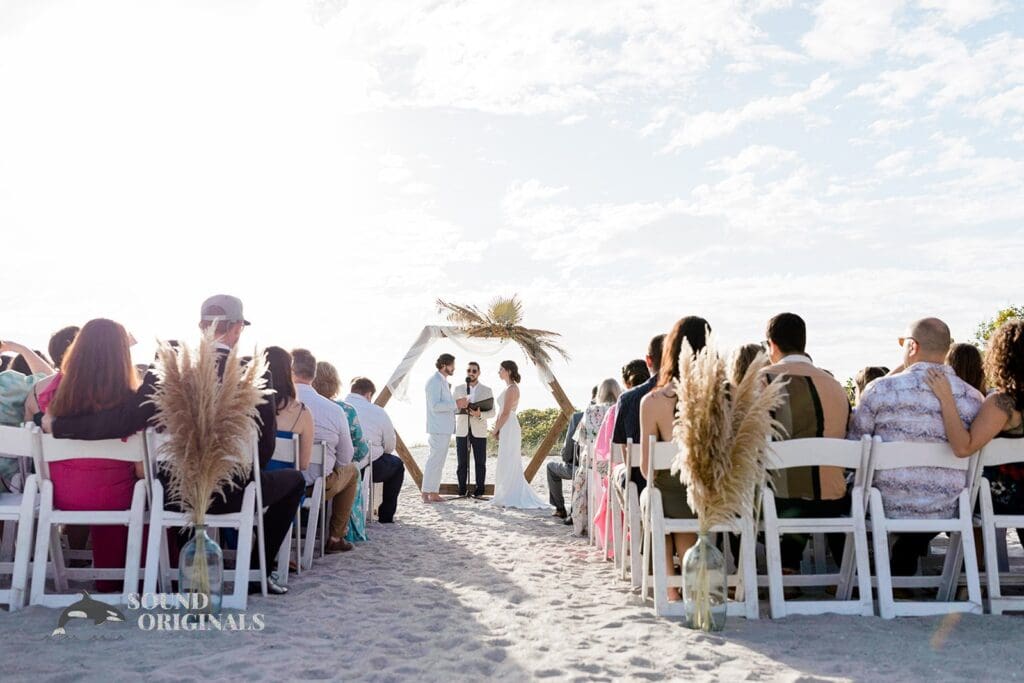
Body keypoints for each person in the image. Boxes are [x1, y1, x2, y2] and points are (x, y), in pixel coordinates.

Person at [44, 295, 304, 594]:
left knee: (171, 474)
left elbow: (122, 422)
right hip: (231, 496)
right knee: (294, 481)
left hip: (172, 496)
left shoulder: (165, 368)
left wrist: (59, 425)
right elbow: (263, 450)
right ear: (236, 329)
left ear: (200, 326)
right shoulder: (254, 375)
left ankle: (186, 570)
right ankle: (259, 571)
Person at [848, 317, 983, 576]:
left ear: (912, 346)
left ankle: (862, 576)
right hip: (949, 507)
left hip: (885, 505)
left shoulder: (880, 390)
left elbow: (857, 449)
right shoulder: (972, 397)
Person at [39, 319, 144, 591]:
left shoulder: (54, 396)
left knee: (106, 485)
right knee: (143, 490)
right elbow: (141, 470)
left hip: (62, 496)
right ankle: (119, 578)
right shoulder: (129, 403)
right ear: (123, 357)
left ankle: (109, 577)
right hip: (115, 500)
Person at [762, 313, 852, 573]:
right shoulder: (835, 386)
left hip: (780, 501)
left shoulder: (763, 381)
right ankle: (793, 564)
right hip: (833, 499)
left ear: (772, 345)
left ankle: (776, 568)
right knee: (809, 490)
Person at [926, 320, 1024, 545]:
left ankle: (972, 568)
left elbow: (963, 447)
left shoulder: (1003, 403)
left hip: (1004, 499)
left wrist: (947, 399)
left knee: (960, 494)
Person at [640, 317, 708, 601]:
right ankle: (691, 583)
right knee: (675, 496)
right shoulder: (727, 396)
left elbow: (647, 469)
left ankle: (670, 589)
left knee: (657, 495)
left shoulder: (654, 401)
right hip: (722, 498)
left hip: (677, 499)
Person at [288, 350, 360, 553]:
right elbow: (345, 458)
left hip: (278, 481)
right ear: (313, 375)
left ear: (291, 371)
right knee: (352, 471)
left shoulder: (278, 405)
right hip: (316, 485)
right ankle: (335, 537)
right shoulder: (334, 410)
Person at [310, 359, 370, 541]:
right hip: (325, 479)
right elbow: (358, 451)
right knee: (352, 471)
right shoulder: (344, 410)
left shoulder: (296, 405)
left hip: (297, 475)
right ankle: (337, 536)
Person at [345, 377, 405, 523]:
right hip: (368, 467)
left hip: (339, 464)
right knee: (397, 465)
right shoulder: (378, 412)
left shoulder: (338, 406)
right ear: (369, 394)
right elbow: (390, 445)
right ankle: (386, 516)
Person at [489, 360, 548, 509]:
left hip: (509, 424)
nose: (499, 372)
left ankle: (510, 493)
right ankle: (505, 492)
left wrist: (495, 430)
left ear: (508, 371)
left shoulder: (512, 389)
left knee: (509, 458)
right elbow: (502, 411)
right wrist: (498, 428)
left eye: (501, 369)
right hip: (507, 424)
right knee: (505, 458)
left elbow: (506, 412)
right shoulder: (509, 388)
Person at [612, 334, 665, 496]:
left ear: (649, 361)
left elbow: (624, 449)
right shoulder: (696, 397)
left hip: (643, 489)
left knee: (617, 474)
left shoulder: (628, 399)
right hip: (690, 495)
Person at [570, 378, 621, 536]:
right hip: (617, 463)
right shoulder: (621, 408)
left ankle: (580, 525)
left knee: (580, 478)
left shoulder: (591, 410)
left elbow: (581, 439)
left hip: (594, 464)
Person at [423, 353, 467, 503]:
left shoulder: (442, 381)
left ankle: (433, 492)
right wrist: (456, 404)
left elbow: (445, 406)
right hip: (438, 428)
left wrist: (459, 405)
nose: (454, 368)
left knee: (438, 461)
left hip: (444, 428)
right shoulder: (434, 382)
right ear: (444, 365)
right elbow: (435, 406)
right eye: (452, 365)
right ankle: (427, 493)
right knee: (434, 460)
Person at [453, 361, 496, 498]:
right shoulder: (458, 389)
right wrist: (460, 406)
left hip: (480, 430)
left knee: (480, 462)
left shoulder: (487, 390)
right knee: (462, 462)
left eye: (474, 371)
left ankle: (480, 490)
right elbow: (452, 408)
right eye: (469, 371)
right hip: (462, 430)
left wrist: (480, 414)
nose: (471, 373)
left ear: (479, 372)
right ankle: (461, 489)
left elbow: (493, 412)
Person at [547, 403, 584, 520]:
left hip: (581, 469)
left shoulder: (579, 417)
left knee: (550, 467)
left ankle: (560, 509)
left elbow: (568, 451)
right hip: (608, 470)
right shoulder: (617, 413)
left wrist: (567, 459)